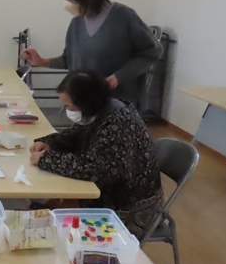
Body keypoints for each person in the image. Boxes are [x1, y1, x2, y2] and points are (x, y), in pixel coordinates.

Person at [29, 71, 163, 236]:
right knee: (49, 209)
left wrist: (46, 160)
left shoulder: (119, 123)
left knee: (52, 216)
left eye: (69, 107)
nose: (67, 112)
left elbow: (96, 169)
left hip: (131, 210)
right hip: (111, 193)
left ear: (86, 104)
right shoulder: (100, 109)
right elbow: (75, 136)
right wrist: (49, 143)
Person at [21, 0, 161, 106]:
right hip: (86, 104)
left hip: (119, 104)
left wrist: (119, 77)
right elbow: (70, 59)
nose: (67, 3)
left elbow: (152, 52)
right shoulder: (76, 23)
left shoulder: (123, 16)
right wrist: (43, 62)